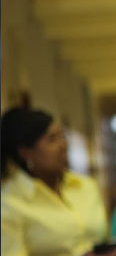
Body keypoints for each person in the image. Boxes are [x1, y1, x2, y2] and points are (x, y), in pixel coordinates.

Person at [1, 108, 109, 255]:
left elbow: (102, 240)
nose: (63, 146)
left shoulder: (85, 186)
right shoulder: (9, 203)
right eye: (52, 139)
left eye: (62, 137)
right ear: (26, 152)